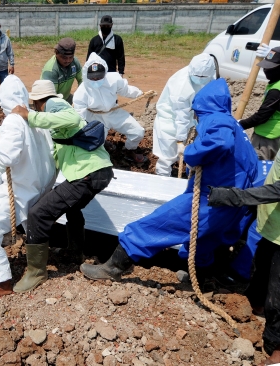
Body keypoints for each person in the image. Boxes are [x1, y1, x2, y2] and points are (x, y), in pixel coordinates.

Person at [80, 78, 259, 283]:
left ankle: (113, 267)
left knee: (157, 224)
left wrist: (191, 152)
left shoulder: (216, 119)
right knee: (207, 240)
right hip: (233, 200)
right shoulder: (236, 128)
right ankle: (203, 279)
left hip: (212, 198)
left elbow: (220, 142)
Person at [10, 80, 114, 293]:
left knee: (38, 214)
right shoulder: (57, 114)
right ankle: (75, 252)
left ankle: (36, 272)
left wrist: (29, 116)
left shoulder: (54, 106)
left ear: (39, 102)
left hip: (88, 174)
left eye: (35, 105)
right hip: (99, 172)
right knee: (72, 207)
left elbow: (72, 117)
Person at [0, 76, 56, 299]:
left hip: (20, 192)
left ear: (3, 100)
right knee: (25, 222)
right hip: (39, 188)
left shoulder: (14, 120)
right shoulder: (35, 119)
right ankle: (41, 255)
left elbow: (6, 157)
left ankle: (3, 282)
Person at [208, 152, 280, 366]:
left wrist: (234, 197)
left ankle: (277, 351)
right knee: (261, 272)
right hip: (272, 226)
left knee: (278, 296)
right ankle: (254, 310)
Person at [73, 53, 147, 163]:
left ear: (105, 73)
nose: (96, 79)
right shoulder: (82, 92)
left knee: (138, 132)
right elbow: (79, 115)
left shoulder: (113, 79)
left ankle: (128, 150)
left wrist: (140, 94)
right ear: (86, 75)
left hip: (114, 112)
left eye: (99, 76)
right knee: (95, 147)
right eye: (93, 77)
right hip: (95, 118)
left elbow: (125, 90)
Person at [153, 53, 216, 176]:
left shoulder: (209, 76)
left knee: (180, 154)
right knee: (166, 157)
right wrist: (180, 140)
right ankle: (162, 181)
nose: (201, 79)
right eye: (198, 76)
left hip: (188, 119)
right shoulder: (181, 86)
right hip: (169, 120)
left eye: (204, 77)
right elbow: (181, 115)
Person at [238, 46, 280, 161]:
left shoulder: (276, 90)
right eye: (265, 67)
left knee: (259, 169)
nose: (266, 70)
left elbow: (262, 116)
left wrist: (241, 124)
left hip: (268, 138)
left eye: (271, 68)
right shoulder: (276, 83)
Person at [40, 38, 82, 104]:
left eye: (71, 57)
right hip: (49, 101)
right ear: (56, 53)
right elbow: (51, 97)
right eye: (64, 58)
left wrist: (82, 96)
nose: (68, 61)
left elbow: (82, 80)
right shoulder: (51, 71)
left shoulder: (75, 62)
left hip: (65, 98)